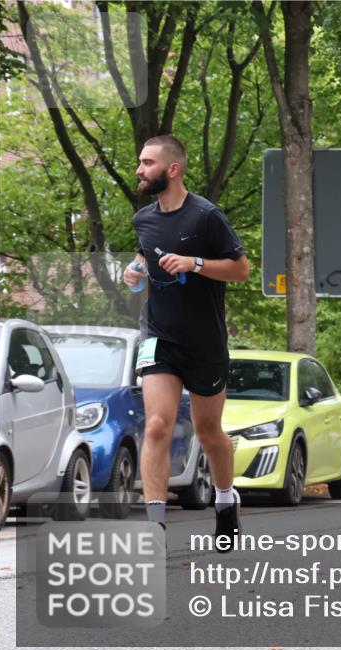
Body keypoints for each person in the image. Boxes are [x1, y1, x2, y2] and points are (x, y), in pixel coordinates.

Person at [122, 135, 249, 550]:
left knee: (208, 431)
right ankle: (154, 525)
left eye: (147, 162)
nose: (139, 169)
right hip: (159, 335)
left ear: (172, 169)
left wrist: (195, 264)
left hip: (205, 341)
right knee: (157, 423)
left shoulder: (207, 217)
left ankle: (226, 500)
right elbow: (147, 251)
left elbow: (241, 269)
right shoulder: (144, 219)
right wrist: (136, 267)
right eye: (140, 162)